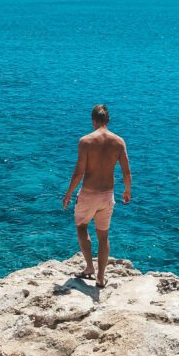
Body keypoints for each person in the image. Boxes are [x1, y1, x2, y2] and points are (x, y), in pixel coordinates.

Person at [62, 104, 131, 288]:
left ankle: (89, 268)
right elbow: (126, 171)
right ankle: (101, 277)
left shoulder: (86, 141)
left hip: (88, 194)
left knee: (81, 226)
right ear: (107, 120)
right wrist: (127, 190)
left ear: (93, 120)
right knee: (103, 236)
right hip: (107, 195)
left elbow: (78, 173)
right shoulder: (118, 141)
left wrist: (68, 193)